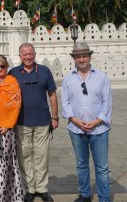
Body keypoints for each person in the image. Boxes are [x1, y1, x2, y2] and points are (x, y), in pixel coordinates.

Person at [62, 42, 112, 202]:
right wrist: (75, 120)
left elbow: (107, 103)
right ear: (74, 59)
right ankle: (84, 194)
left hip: (99, 129)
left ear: (89, 57)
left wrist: (97, 121)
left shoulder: (102, 77)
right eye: (78, 56)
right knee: (81, 164)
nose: (81, 59)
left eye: (84, 56)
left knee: (102, 167)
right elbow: (65, 102)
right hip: (76, 129)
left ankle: (104, 198)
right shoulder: (68, 78)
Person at [9, 43, 58, 202]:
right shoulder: (14, 73)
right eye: (24, 54)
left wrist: (55, 117)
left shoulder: (44, 71)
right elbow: (7, 98)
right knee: (25, 155)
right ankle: (29, 189)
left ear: (34, 54)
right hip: (21, 122)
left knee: (41, 155)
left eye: (30, 54)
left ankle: (42, 188)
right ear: (20, 56)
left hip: (42, 121)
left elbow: (52, 94)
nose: (28, 57)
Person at [0, 54, 24, 202]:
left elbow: (16, 106)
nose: (0, 69)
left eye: (2, 66)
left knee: (5, 164)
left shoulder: (12, 82)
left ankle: (7, 196)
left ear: (7, 66)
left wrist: (8, 126)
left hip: (5, 130)